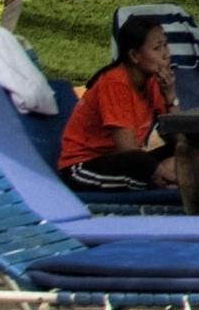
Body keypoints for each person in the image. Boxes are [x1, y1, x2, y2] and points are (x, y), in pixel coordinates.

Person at [57, 12, 180, 194]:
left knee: (185, 149)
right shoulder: (115, 83)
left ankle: (170, 179)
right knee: (141, 163)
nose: (166, 54)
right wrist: (164, 172)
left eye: (165, 46)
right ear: (134, 55)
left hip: (123, 162)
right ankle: (174, 182)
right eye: (157, 48)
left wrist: (170, 95)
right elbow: (127, 150)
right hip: (84, 168)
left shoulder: (153, 82)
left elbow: (176, 137)